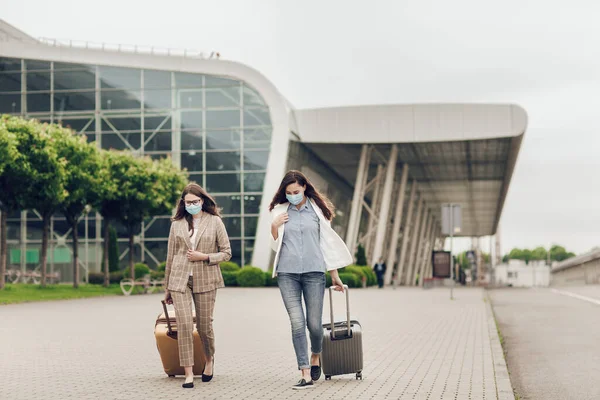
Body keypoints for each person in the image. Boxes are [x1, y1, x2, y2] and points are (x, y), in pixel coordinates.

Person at [269, 170, 352, 390]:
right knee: (297, 323)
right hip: (287, 273)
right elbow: (274, 244)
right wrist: (274, 226)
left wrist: (334, 275)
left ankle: (316, 355)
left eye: (296, 191)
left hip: (314, 273)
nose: (292, 195)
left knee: (314, 325)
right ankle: (305, 372)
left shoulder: (317, 211)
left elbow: (327, 244)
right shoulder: (279, 211)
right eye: (288, 193)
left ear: (304, 187)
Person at [164, 183, 232, 389]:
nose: (192, 205)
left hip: (206, 278)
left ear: (202, 201)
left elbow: (227, 253)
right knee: (184, 324)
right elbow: (170, 255)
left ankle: (209, 360)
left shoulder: (215, 222)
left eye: (195, 202)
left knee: (204, 326)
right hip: (179, 279)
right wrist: (167, 286)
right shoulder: (176, 224)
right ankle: (188, 372)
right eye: (188, 203)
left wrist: (205, 257)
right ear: (183, 204)